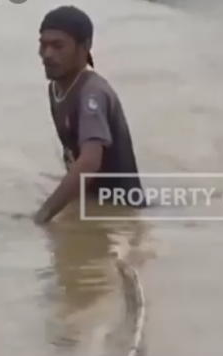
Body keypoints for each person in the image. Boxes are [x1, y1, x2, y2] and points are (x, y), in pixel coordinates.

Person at [33, 5, 145, 225]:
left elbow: (89, 162)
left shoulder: (91, 93)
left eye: (58, 46)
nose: (47, 55)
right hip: (93, 203)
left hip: (119, 213)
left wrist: (43, 215)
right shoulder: (57, 87)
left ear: (85, 47)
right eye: (43, 45)